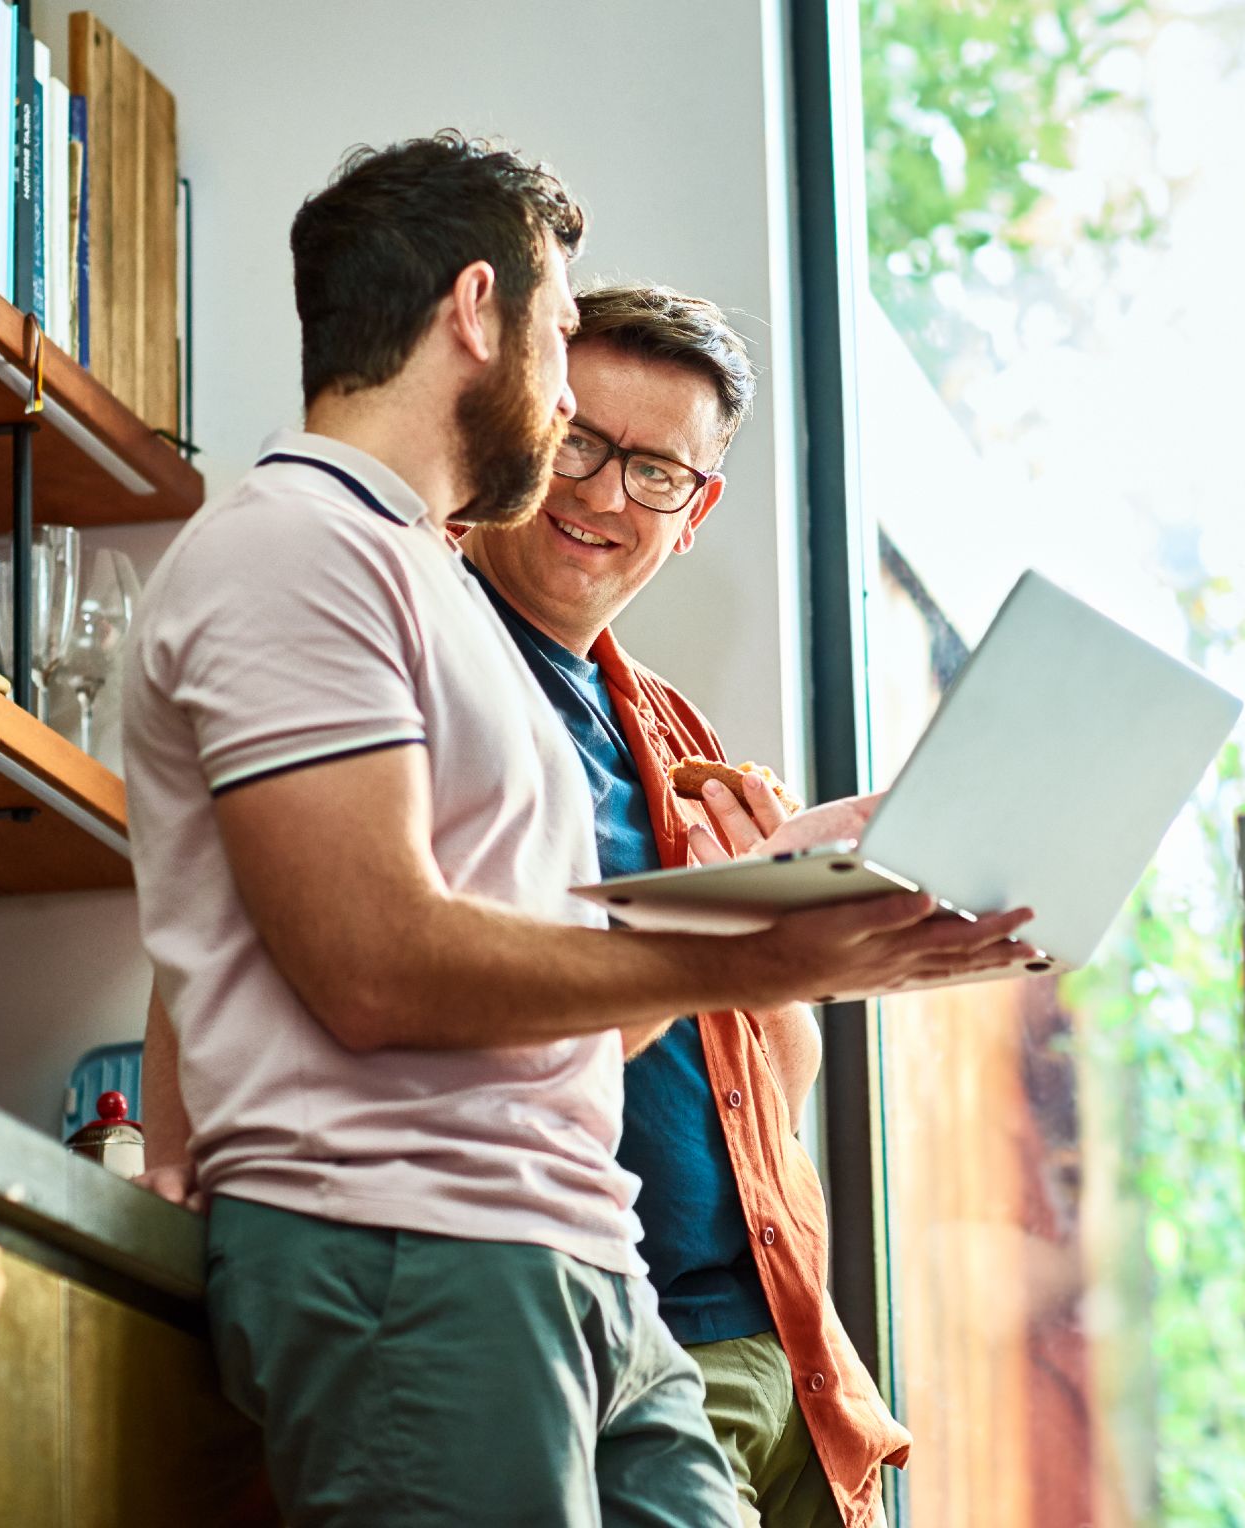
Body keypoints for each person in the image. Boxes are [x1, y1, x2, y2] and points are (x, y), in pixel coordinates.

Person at [127, 134, 1034, 1528]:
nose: (570, 439)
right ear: (478, 314)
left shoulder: (413, 587)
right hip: (416, 1245)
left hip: (574, 1261)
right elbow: (373, 963)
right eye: (560, 341)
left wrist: (783, 899)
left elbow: (527, 985)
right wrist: (765, 951)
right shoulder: (294, 551)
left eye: (649, 470)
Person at [458, 283, 909, 1528]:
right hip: (606, 1340)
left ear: (698, 511)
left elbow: (780, 1065)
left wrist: (788, 928)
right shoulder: (423, 651)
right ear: (521, 423)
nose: (605, 494)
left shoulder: (679, 734)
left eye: (657, 471)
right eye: (581, 443)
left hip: (785, 1343)